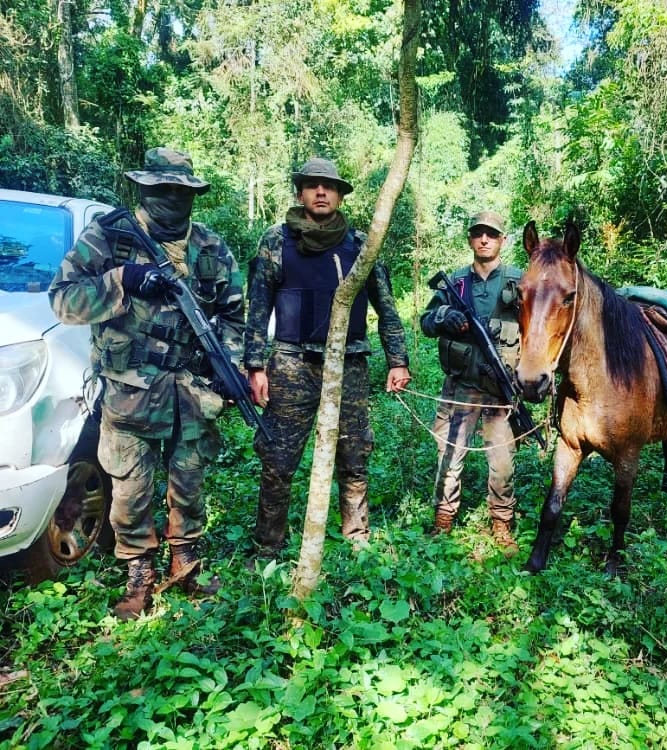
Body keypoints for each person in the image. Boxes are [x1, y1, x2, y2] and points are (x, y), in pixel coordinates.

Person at [49, 147, 245, 620]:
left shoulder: (211, 248)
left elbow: (235, 313)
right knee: (130, 490)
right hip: (128, 392)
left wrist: (229, 365)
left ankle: (187, 562)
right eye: (161, 189)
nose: (171, 199)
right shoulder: (110, 238)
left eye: (180, 191)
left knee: (190, 483)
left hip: (191, 391)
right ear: (144, 188)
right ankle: (139, 572)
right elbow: (62, 301)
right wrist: (123, 280)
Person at [244, 157, 411, 557]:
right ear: (300, 192)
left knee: (354, 456)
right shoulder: (276, 240)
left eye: (329, 186)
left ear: (339, 194)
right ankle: (268, 547)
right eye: (313, 185)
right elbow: (259, 305)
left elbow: (385, 306)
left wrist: (397, 360)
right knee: (278, 459)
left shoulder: (359, 243)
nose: (321, 192)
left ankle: (356, 539)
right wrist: (254, 365)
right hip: (290, 363)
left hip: (349, 363)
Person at [420, 210, 523, 554]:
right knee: (448, 453)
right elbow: (426, 321)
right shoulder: (456, 282)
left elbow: (543, 324)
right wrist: (444, 316)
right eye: (478, 233)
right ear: (469, 239)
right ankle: (444, 518)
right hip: (461, 386)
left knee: (502, 459)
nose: (484, 240)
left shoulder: (519, 282)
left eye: (491, 235)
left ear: (502, 241)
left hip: (500, 389)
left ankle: (501, 522)